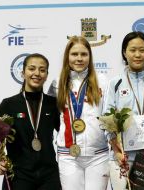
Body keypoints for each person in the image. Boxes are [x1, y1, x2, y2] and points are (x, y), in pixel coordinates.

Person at [102, 31, 144, 189]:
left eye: (142, 50)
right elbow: (107, 119)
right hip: (124, 156)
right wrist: (116, 149)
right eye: (132, 50)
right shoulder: (115, 83)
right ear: (124, 53)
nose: (137, 54)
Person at [0, 53, 61, 190]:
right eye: (32, 68)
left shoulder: (53, 104)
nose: (37, 73)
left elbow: (64, 133)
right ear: (23, 73)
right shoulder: (9, 104)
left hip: (49, 175)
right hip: (19, 174)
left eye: (42, 70)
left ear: (47, 75)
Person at [47, 36, 109, 190]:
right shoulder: (57, 83)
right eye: (74, 54)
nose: (79, 59)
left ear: (90, 56)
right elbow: (52, 118)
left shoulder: (103, 81)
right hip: (68, 156)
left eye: (84, 54)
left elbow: (110, 116)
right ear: (67, 57)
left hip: (98, 155)